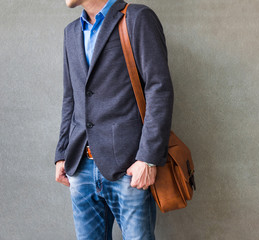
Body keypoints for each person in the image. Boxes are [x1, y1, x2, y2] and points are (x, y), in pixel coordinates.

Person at [54, 0, 174, 239]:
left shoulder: (136, 18)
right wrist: (62, 154)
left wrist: (148, 159)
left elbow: (159, 89)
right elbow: (71, 98)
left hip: (128, 167)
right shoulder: (71, 32)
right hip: (80, 166)